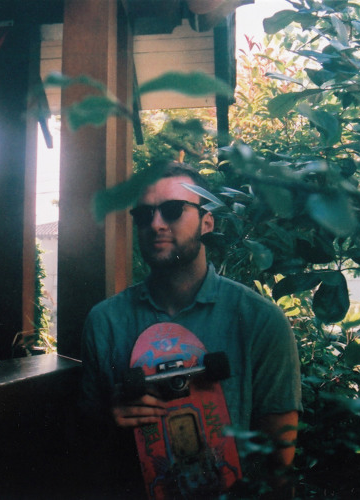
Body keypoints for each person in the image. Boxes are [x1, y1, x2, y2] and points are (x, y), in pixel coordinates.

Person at [79, 161, 302, 498]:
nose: (156, 224)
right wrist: (111, 419)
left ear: (207, 222)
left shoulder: (260, 321)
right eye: (144, 215)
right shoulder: (105, 322)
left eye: (172, 211)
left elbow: (278, 463)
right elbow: (85, 448)